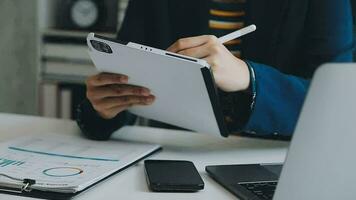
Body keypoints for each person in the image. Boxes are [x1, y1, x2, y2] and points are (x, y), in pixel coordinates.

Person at [76, 0, 354, 140]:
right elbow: (129, 72)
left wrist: (249, 78)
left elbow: (341, 104)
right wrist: (101, 109)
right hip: (179, 162)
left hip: (277, 161)